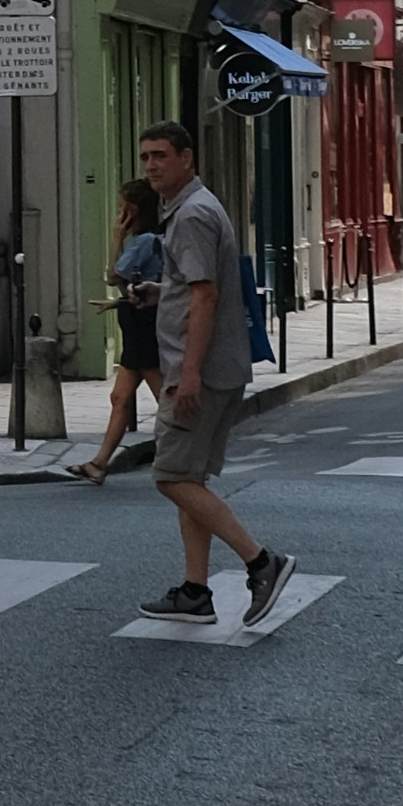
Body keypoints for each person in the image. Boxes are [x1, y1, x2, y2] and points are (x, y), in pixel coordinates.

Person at [135, 115, 286, 626]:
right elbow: (194, 286)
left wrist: (189, 373)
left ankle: (261, 561)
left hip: (195, 370)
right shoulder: (192, 207)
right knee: (189, 477)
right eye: (146, 157)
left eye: (161, 155)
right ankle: (196, 592)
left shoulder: (192, 214)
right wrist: (160, 293)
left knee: (170, 477)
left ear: (186, 158)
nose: (152, 165)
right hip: (212, 363)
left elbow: (207, 294)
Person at [81, 177, 165, 487]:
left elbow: (113, 273)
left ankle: (188, 453)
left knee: (164, 396)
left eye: (121, 209)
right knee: (120, 397)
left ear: (131, 210)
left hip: (143, 327)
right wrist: (117, 303)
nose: (119, 215)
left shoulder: (143, 241)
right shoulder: (150, 239)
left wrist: (116, 236)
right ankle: (99, 464)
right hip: (138, 323)